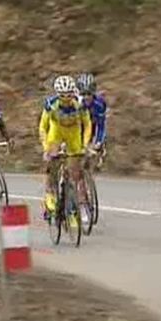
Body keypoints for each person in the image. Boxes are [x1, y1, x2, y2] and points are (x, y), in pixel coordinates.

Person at [39, 75, 92, 224]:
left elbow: (87, 124)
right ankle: (50, 194)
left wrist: (85, 145)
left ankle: (77, 206)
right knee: (52, 164)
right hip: (56, 133)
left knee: (75, 172)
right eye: (63, 95)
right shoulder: (51, 105)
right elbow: (43, 127)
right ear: (57, 94)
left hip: (73, 135)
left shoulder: (79, 104)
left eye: (69, 94)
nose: (67, 98)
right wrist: (46, 148)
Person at [76, 72, 107, 171]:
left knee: (93, 149)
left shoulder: (100, 104)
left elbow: (101, 126)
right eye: (83, 94)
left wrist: (99, 141)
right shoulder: (75, 103)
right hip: (76, 127)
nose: (86, 97)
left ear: (94, 92)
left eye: (89, 94)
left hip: (91, 128)